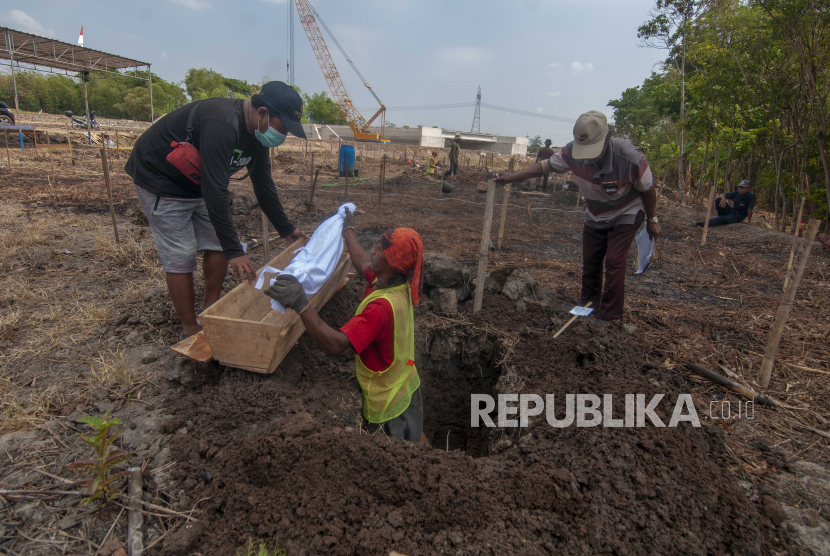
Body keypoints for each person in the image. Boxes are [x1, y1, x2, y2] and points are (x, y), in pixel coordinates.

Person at [125, 81, 307, 339]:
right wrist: (236, 251)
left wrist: (286, 229)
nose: (283, 135)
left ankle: (209, 310)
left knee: (218, 242)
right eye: (283, 127)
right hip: (160, 179)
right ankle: (190, 329)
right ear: (263, 113)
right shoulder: (222, 124)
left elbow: (263, 184)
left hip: (198, 182)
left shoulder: (257, 135)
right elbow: (215, 191)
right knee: (181, 253)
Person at [265, 209, 428, 444]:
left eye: (380, 249)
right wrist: (347, 229)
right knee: (415, 431)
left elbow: (335, 344)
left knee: (400, 449)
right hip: (406, 385)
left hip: (387, 404)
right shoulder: (397, 283)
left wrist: (301, 304)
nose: (373, 250)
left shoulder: (380, 308)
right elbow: (363, 264)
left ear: (392, 263)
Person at [495, 110, 660, 323]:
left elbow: (648, 189)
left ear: (607, 139)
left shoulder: (630, 157)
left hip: (626, 211)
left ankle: (610, 318)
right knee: (591, 260)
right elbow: (545, 166)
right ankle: (587, 306)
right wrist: (511, 177)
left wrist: (652, 220)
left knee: (614, 260)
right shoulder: (571, 152)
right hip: (595, 214)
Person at [690, 180, 755, 227]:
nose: (740, 189)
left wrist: (749, 222)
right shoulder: (736, 193)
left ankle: (701, 224)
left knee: (720, 219)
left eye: (743, 188)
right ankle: (720, 215)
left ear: (748, 189)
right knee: (718, 200)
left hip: (738, 216)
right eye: (739, 187)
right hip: (731, 211)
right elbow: (722, 194)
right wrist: (723, 197)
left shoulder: (751, 196)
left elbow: (750, 209)